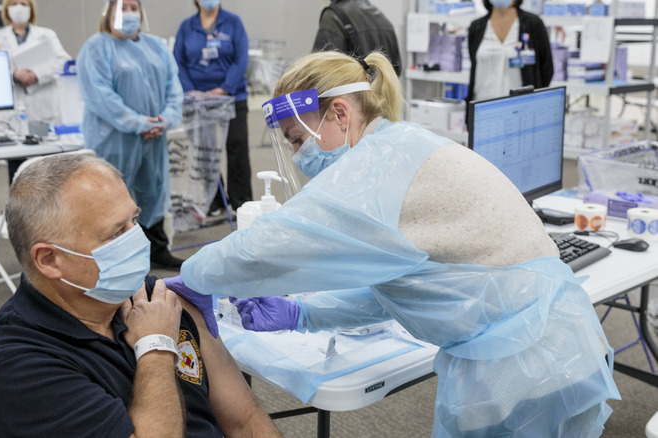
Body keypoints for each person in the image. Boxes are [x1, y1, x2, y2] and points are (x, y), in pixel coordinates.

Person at [172, 51, 620, 436]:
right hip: (546, 349)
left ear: (340, 114)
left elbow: (266, 245)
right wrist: (304, 313)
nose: (297, 156)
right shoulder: (400, 147)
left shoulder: (378, 168)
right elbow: (406, 290)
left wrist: (191, 276)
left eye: (296, 139)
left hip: (523, 367)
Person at [0, 153, 281, 438]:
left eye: (135, 220)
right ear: (49, 260)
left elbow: (245, 421)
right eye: (116, 233)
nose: (138, 240)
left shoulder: (157, 300)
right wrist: (156, 346)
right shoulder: (14, 371)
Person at [77, 0, 185, 269]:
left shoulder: (156, 46)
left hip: (155, 136)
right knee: (111, 193)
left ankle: (156, 249)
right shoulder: (97, 48)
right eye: (122, 8)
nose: (129, 13)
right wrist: (138, 123)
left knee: (154, 189)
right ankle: (111, 257)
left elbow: (174, 88)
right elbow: (100, 96)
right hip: (114, 137)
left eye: (134, 7)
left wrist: (165, 119)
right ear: (108, 13)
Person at [174, 0, 252, 214]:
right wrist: (192, 92)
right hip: (197, 101)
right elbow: (178, 62)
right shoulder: (186, 27)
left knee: (237, 149)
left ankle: (241, 203)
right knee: (204, 151)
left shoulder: (233, 23)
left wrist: (224, 89)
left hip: (232, 98)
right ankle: (214, 202)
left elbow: (241, 59)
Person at [0, 0, 71, 182]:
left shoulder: (46, 35)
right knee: (16, 165)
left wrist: (37, 74)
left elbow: (63, 61)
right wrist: (15, 76)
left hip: (42, 105)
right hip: (14, 110)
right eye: (14, 3)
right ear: (6, 9)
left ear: (31, 9)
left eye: (23, 3)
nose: (19, 7)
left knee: (47, 163)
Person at [466, 0, 552, 105]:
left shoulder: (532, 24)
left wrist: (534, 101)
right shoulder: (476, 27)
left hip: (521, 107)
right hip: (482, 108)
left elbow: (546, 68)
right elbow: (474, 66)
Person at [312, 0, 401, 77]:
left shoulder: (333, 17)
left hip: (352, 96)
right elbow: (397, 69)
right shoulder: (383, 19)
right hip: (382, 96)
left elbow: (319, 72)